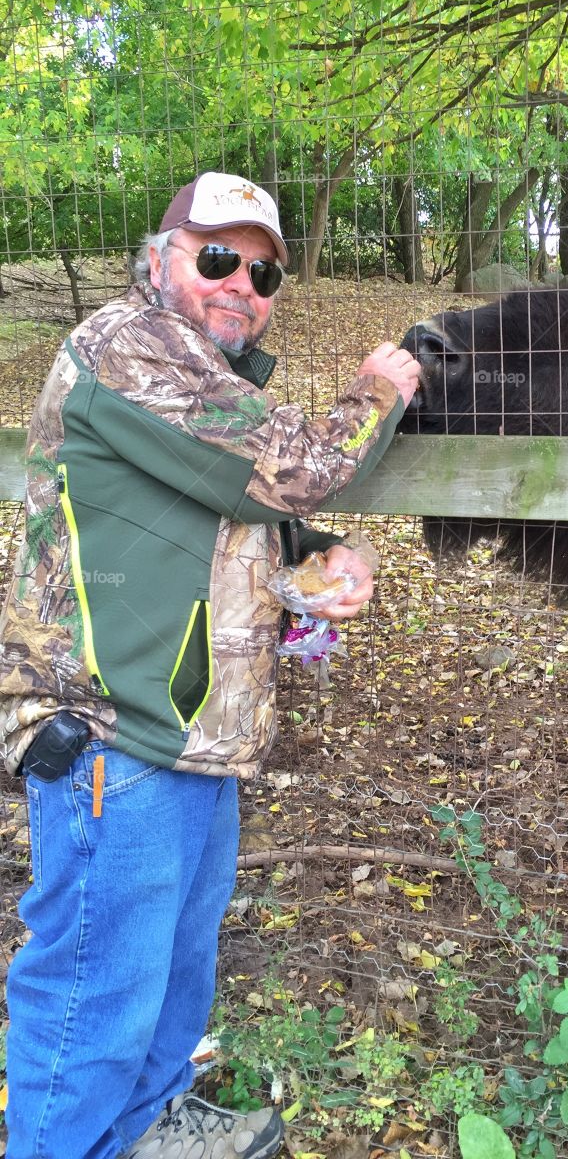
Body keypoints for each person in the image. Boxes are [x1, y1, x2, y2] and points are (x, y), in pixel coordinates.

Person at [0, 171, 421, 1159]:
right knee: (95, 992)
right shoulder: (128, 345)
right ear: (159, 259)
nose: (243, 284)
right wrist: (381, 388)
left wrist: (323, 557)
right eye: (219, 256)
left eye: (264, 272)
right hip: (111, 737)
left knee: (175, 970)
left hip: (197, 734)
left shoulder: (206, 378)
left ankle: (150, 1122)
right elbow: (288, 467)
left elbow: (231, 515)